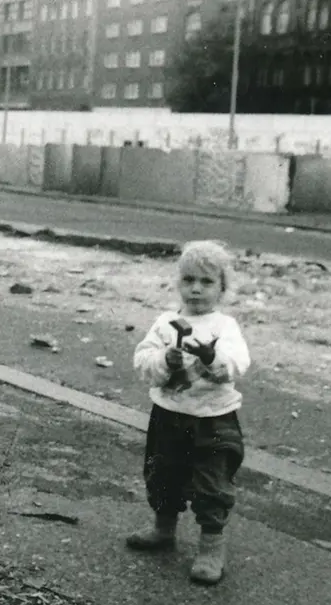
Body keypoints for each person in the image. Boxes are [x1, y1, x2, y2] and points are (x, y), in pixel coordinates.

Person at [127, 240, 251, 586]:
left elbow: (237, 363)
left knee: (212, 484)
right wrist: (164, 360)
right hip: (169, 415)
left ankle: (211, 548)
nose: (196, 288)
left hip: (213, 419)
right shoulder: (167, 323)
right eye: (189, 280)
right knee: (162, 473)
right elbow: (142, 361)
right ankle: (163, 528)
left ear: (222, 288)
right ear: (178, 283)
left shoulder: (223, 327)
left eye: (207, 282)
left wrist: (211, 358)